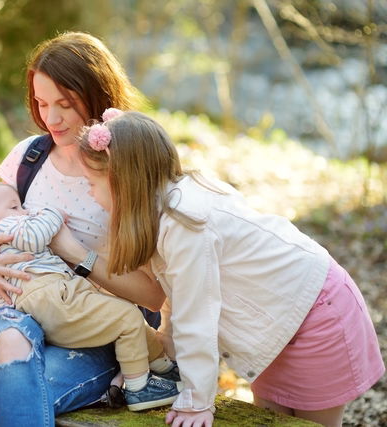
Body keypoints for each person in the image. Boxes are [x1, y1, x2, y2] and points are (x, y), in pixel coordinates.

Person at [77, 110, 386, 427]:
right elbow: (178, 297)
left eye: (91, 183)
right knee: (268, 418)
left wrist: (198, 402)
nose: (89, 192)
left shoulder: (185, 221)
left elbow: (197, 314)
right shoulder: (161, 213)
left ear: (122, 182)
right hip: (274, 325)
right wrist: (162, 357)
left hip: (316, 314)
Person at [0, 32, 169, 425]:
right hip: (18, 313)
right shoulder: (28, 157)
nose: (51, 118)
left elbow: (153, 295)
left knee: (2, 405)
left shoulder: (125, 170)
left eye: (65, 104)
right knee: (11, 350)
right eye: (42, 103)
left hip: (91, 325)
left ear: (98, 97)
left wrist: (74, 252)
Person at [0, 182, 179, 411]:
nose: (25, 211)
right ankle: (139, 389)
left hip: (55, 296)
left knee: (122, 316)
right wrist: (51, 214)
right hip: (51, 296)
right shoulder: (4, 231)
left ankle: (163, 365)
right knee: (127, 317)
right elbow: (36, 236)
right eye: (15, 207)